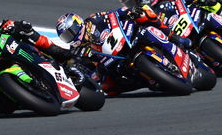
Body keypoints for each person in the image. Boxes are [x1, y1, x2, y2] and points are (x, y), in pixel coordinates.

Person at [56, 10, 191, 96]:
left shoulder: (93, 19)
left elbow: (113, 14)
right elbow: (82, 65)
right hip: (113, 61)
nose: (70, 37)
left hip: (127, 37)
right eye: (66, 37)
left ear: (77, 24)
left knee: (147, 21)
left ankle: (174, 39)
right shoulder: (77, 50)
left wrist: (130, 12)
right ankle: (146, 81)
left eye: (70, 32)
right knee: (107, 88)